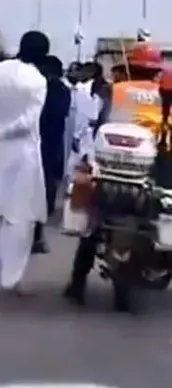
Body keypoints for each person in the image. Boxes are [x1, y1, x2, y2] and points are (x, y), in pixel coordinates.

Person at [64, 42, 165, 304]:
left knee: (92, 226)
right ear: (155, 72)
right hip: (151, 171)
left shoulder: (114, 90)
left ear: (127, 69)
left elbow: (95, 125)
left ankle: (77, 283)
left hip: (110, 169)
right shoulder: (164, 92)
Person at [0, 31, 49, 294]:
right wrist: (2, 130)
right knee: (19, 220)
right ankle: (10, 278)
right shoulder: (37, 81)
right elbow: (29, 121)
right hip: (22, 155)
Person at [32, 55, 71, 254]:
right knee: (45, 193)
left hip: (35, 145)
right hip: (53, 148)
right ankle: (37, 235)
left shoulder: (38, 88)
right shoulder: (64, 91)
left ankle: (32, 236)